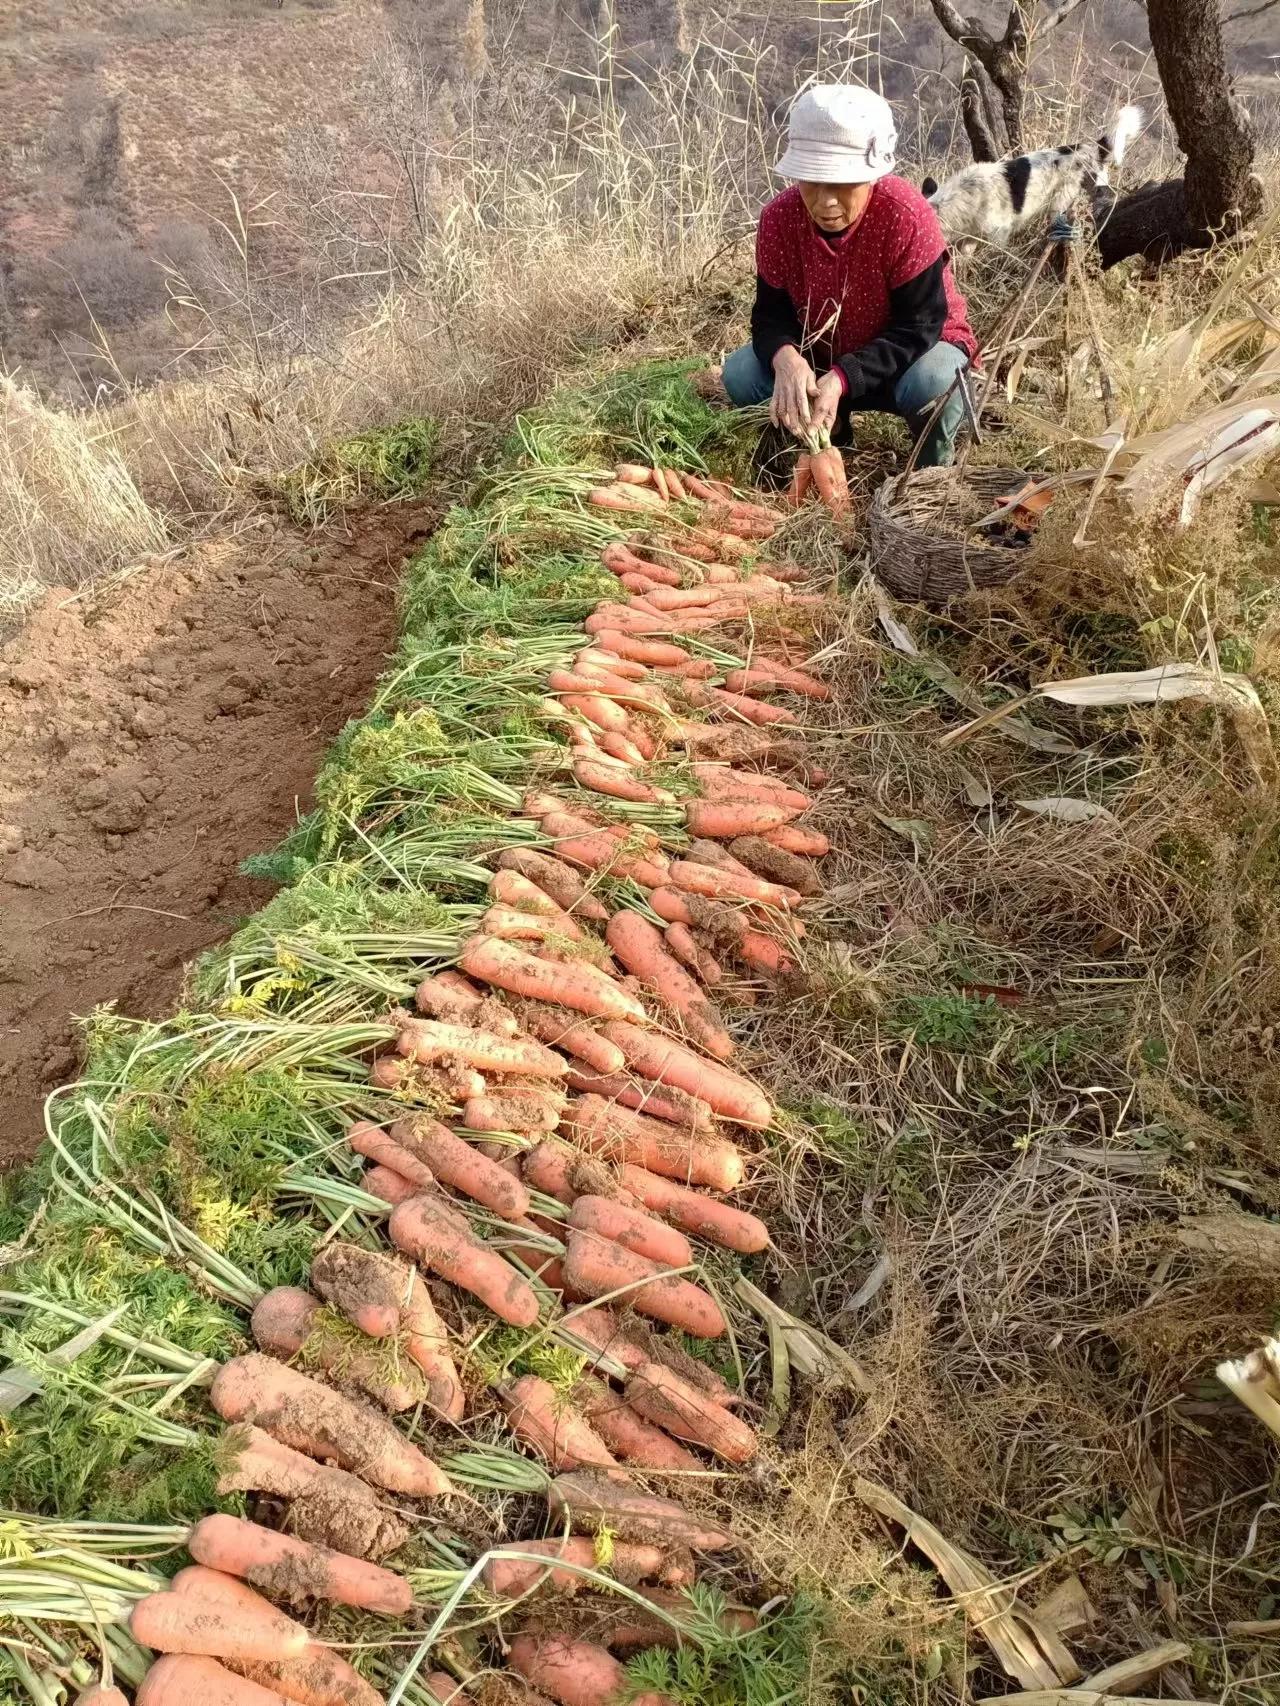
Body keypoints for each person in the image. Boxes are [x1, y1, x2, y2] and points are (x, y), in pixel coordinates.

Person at [720, 85, 978, 468]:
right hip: (820, 362)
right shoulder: (779, 220)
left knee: (936, 384)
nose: (826, 202)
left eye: (843, 184)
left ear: (872, 177)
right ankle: (825, 442)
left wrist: (844, 377)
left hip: (907, 363)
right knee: (742, 374)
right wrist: (787, 358)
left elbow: (919, 327)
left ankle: (930, 476)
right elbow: (769, 316)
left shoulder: (904, 216)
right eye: (812, 181)